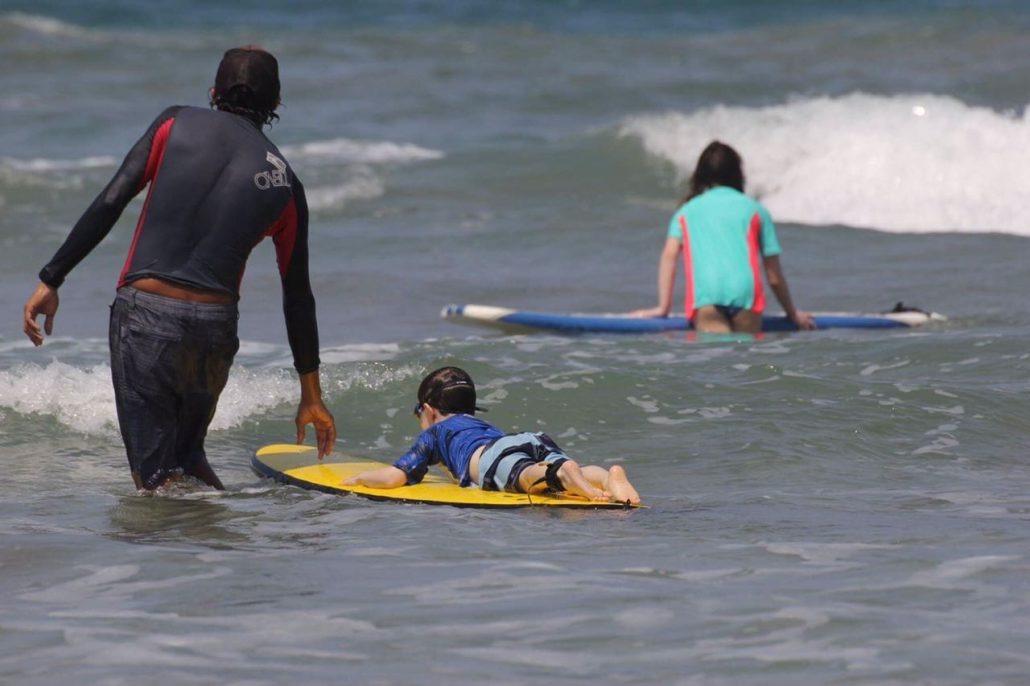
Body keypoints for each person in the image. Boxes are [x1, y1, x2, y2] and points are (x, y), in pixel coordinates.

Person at [22, 46, 337, 491]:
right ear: (277, 104)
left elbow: (112, 200)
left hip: (147, 317)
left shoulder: (174, 123)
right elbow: (297, 294)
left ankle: (190, 552)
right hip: (214, 330)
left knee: (154, 482)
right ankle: (212, 546)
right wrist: (311, 395)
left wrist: (51, 278)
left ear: (213, 91)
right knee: (188, 459)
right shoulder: (285, 181)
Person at [344, 367, 640, 505]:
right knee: (563, 469)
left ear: (429, 410)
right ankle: (607, 478)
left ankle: (561, 473)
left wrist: (361, 479)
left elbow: (396, 477)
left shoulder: (435, 432)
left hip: (490, 456)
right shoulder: (478, 424)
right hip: (525, 439)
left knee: (524, 477)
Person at [632, 141, 815, 333]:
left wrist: (663, 308)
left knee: (716, 356)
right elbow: (773, 275)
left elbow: (669, 257)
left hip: (707, 295)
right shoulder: (756, 210)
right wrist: (792, 313)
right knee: (746, 358)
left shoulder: (685, 212)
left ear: (700, 174)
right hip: (746, 295)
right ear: (738, 173)